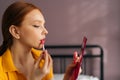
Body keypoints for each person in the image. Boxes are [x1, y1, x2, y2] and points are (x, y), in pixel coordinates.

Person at [0, 1, 81, 80]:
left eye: (43, 25)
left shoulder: (43, 61)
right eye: (37, 25)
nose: (46, 31)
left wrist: (67, 78)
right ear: (15, 31)